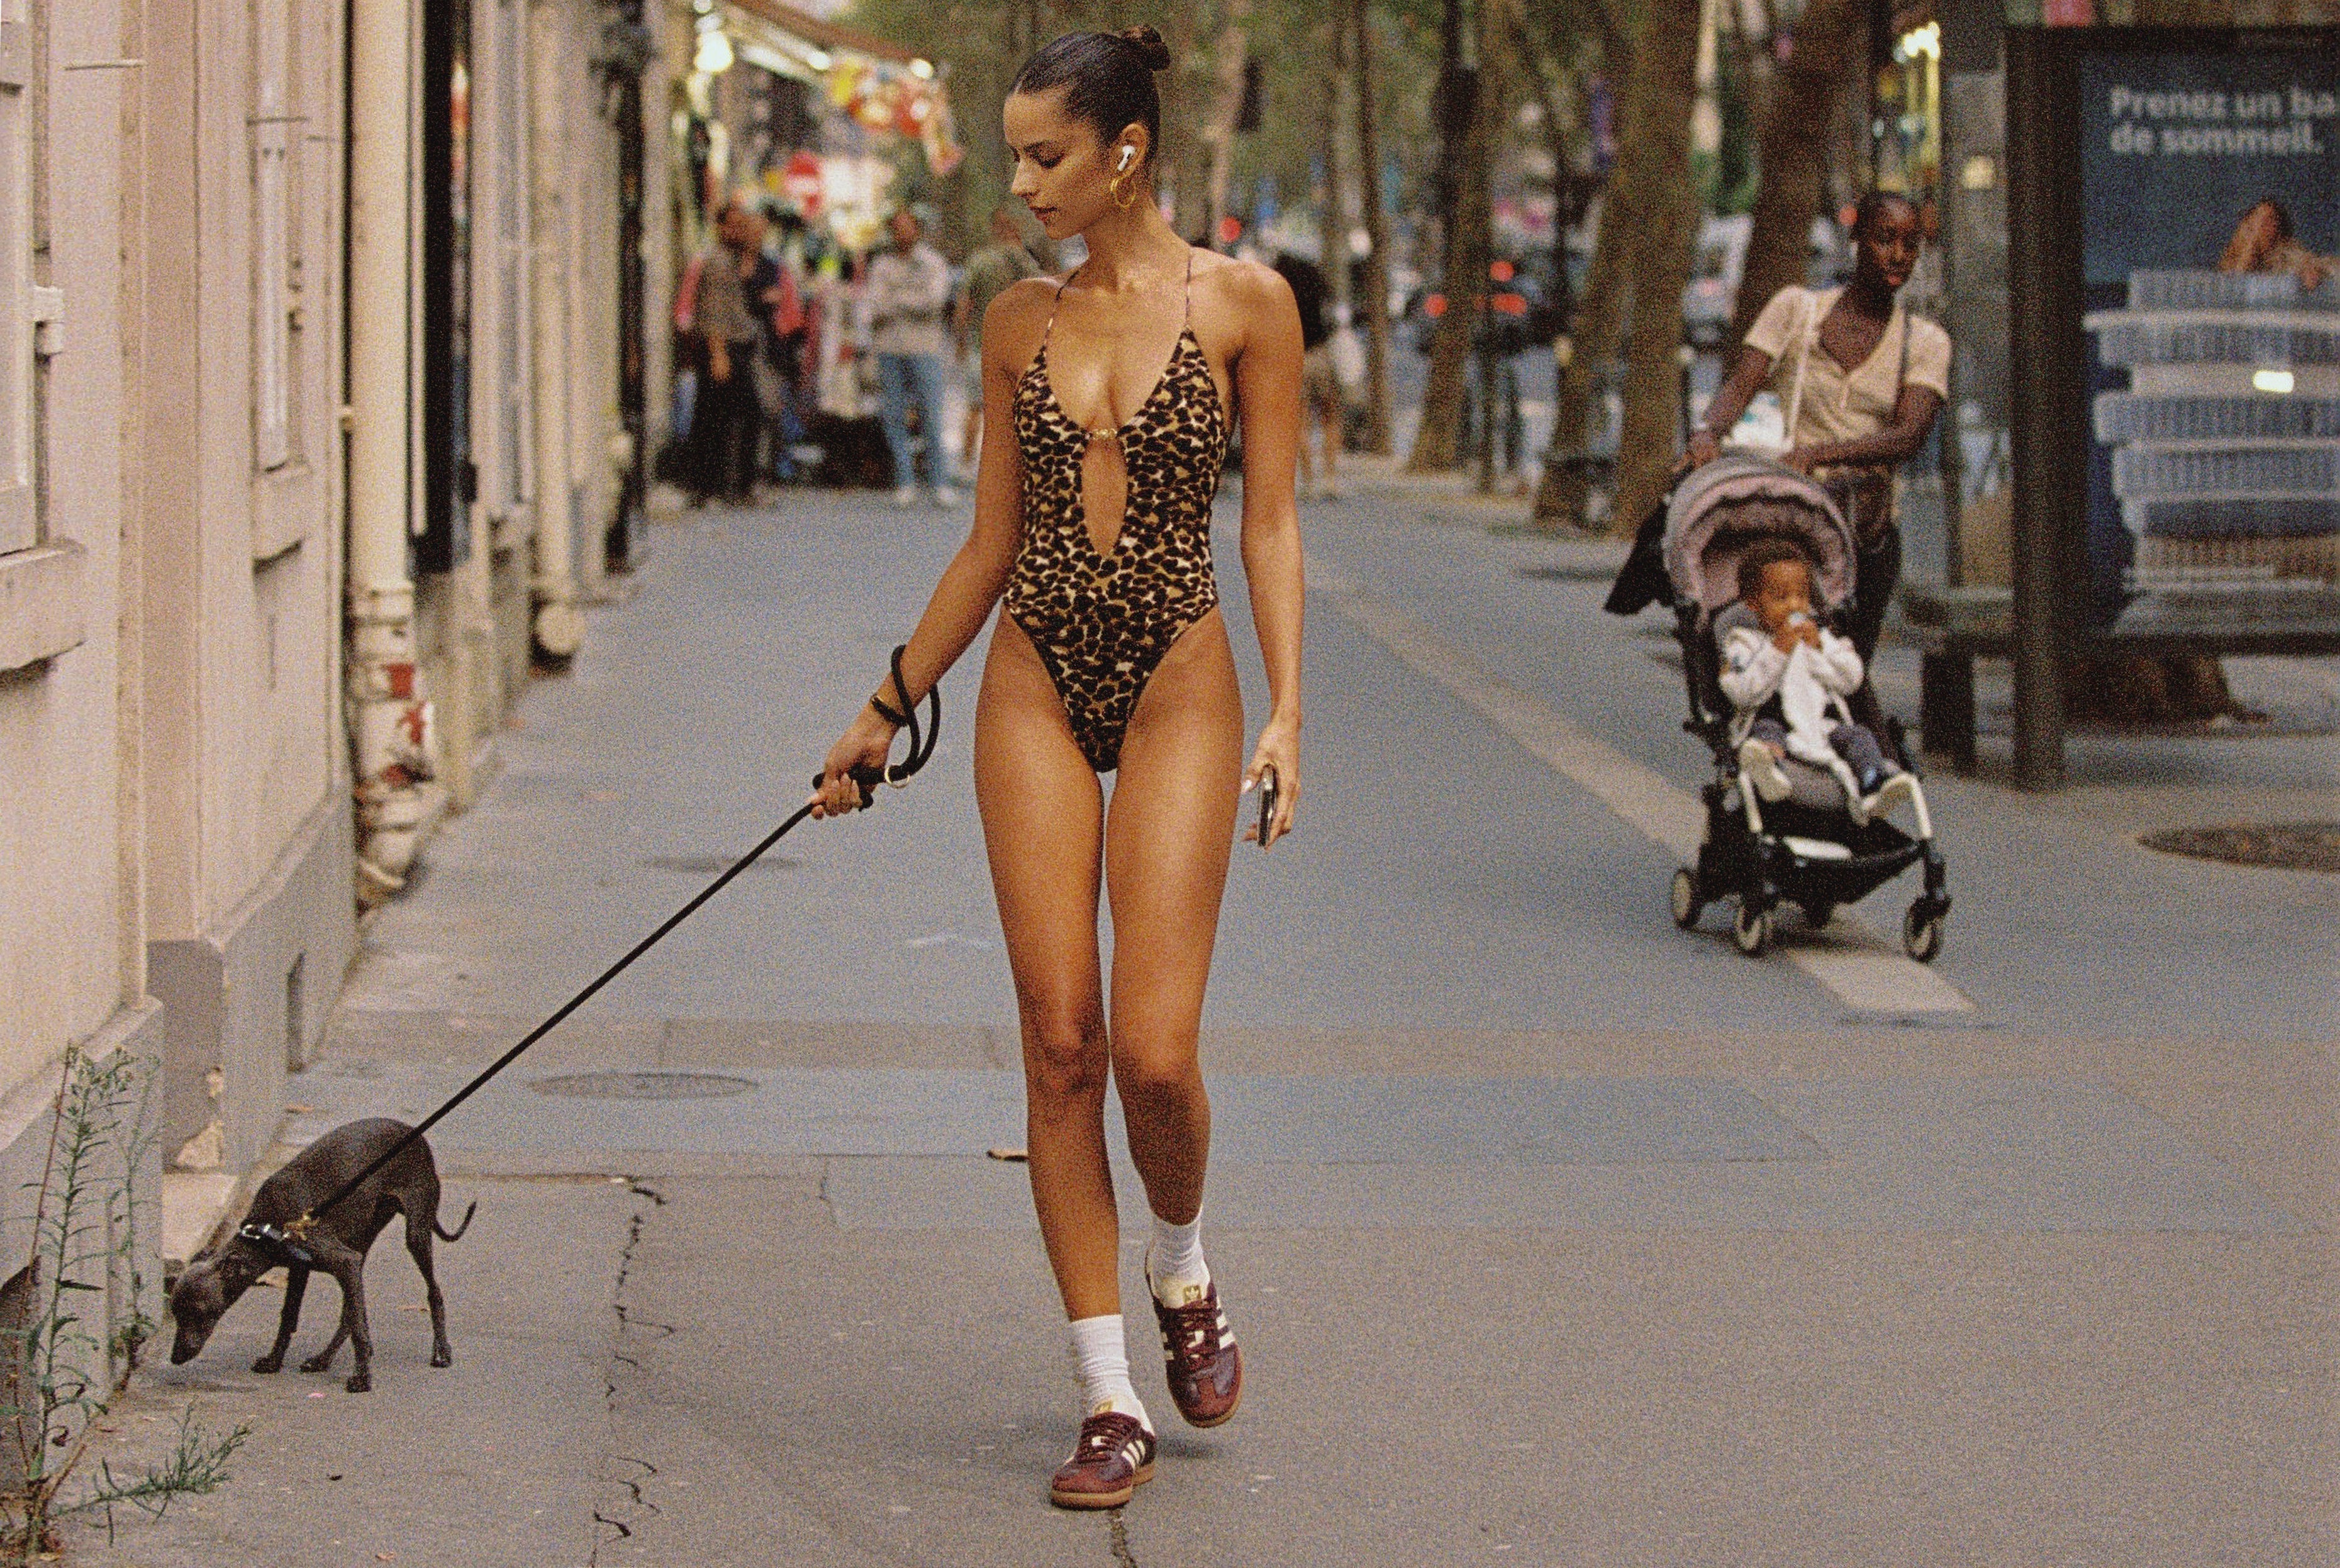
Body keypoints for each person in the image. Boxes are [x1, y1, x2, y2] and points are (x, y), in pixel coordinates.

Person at [811, 23, 1304, 1513]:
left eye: (1044, 156)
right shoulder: (1015, 323)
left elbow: (1270, 522)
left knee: (1155, 1054)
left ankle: (1181, 1262)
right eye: (1017, 154)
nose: (1022, 183)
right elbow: (989, 539)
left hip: (1178, 680)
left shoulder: (1245, 305)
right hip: (1033, 679)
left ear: (1124, 153)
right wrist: (887, 703)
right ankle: (1106, 1397)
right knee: (1058, 1043)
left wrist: (1290, 714)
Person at [1686, 191, 1951, 662]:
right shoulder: (1796, 310)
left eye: (1910, 245)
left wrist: (1820, 454)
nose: (1897, 256)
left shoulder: (1926, 341)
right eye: (1884, 239)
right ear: (1857, 241)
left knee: (1846, 668)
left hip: (1864, 529)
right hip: (1796, 520)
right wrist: (1708, 431)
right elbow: (1741, 384)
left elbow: (1908, 437)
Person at [1722, 539, 1913, 825]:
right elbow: (1740, 691)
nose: (1794, 606)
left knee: (1859, 736)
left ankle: (1873, 782)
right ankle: (1772, 771)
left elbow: (1852, 678)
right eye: (1781, 598)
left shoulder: (1822, 638)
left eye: (1802, 596)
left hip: (1822, 727)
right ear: (1753, 604)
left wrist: (1818, 651)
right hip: (1774, 723)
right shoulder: (1743, 644)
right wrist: (1778, 651)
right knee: (1765, 733)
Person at [867, 207, 959, 506]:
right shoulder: (881, 265)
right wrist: (909, 302)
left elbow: (935, 301)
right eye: (896, 227)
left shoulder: (932, 263)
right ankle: (904, 482)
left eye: (907, 227)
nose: (901, 233)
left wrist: (898, 300)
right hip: (890, 348)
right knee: (894, 417)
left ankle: (939, 483)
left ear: (917, 230)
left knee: (931, 416)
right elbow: (876, 305)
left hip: (925, 348)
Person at [681, 198, 767, 505]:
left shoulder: (733, 261)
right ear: (720, 228)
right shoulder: (717, 263)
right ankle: (712, 488)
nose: (741, 231)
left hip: (733, 346)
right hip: (722, 348)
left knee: (731, 416)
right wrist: (718, 354)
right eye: (735, 226)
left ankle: (723, 486)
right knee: (718, 418)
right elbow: (713, 312)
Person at [956, 206, 1041, 481]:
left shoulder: (979, 261)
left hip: (982, 346)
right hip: (1016, 348)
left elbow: (964, 306)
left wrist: (960, 341)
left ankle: (967, 465)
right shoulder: (1025, 263)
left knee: (976, 407)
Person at [1272, 250, 1342, 498]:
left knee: (1301, 422)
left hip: (1296, 357)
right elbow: (1335, 321)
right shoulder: (1318, 286)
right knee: (1329, 418)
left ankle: (1309, 480)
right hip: (1321, 356)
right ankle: (1331, 478)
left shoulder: (1282, 293)